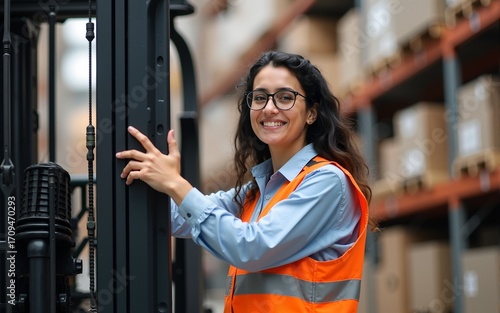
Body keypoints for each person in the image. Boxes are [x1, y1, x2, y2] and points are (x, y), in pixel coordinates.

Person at [116, 50, 372, 312]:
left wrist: (175, 183)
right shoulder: (257, 192)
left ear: (311, 113)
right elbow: (180, 217)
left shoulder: (327, 181)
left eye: (285, 97)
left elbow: (252, 248)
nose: (269, 108)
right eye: (260, 98)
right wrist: (130, 182)